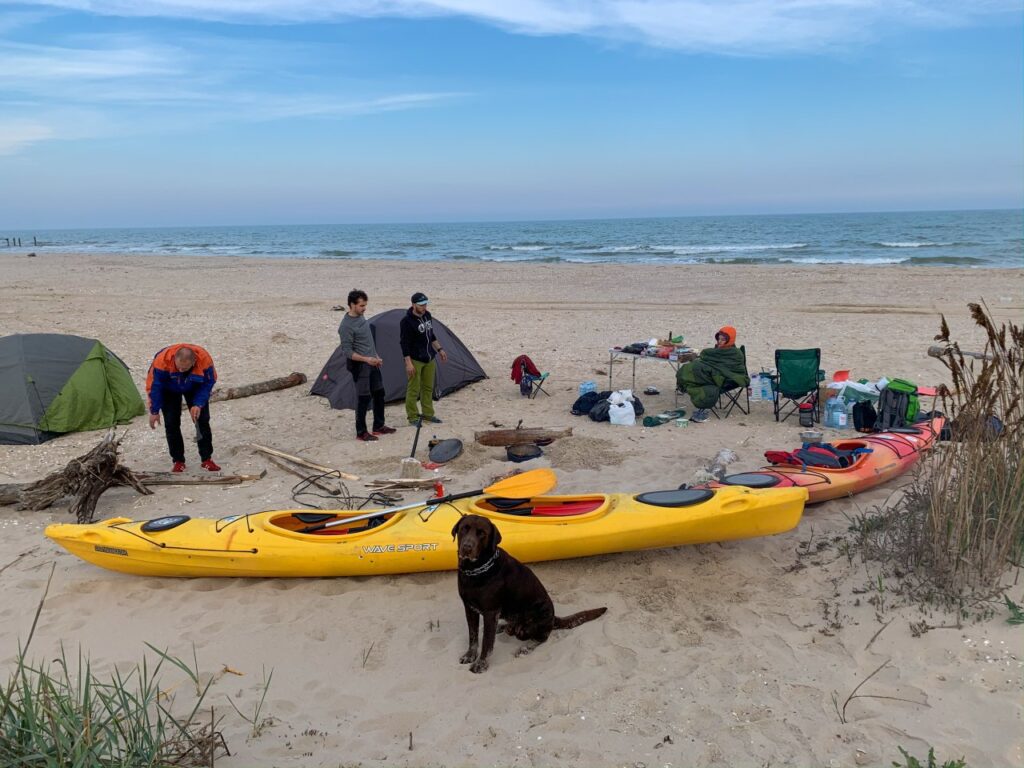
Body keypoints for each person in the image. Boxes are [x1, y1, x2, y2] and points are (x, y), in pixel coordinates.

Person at [146, 343, 221, 472]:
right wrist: (154, 410)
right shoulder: (162, 361)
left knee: (202, 420)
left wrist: (198, 404)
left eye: (184, 368)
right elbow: (155, 387)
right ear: (174, 358)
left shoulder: (204, 360)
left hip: (195, 385)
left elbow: (209, 382)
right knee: (171, 423)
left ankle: (206, 459)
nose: (181, 370)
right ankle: (178, 461)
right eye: (179, 367)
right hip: (168, 389)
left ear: (193, 362)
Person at [338, 289, 397, 442]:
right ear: (352, 305)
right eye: (361, 305)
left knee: (379, 393)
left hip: (372, 362)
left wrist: (376, 355)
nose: (364, 308)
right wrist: (366, 359)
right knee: (363, 398)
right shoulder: (345, 326)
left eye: (365, 305)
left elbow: (367, 340)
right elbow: (347, 352)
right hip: (360, 366)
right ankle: (361, 432)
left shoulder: (361, 316)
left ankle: (378, 426)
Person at [676, 325, 748, 423]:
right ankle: (688, 382)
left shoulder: (735, 354)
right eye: (719, 339)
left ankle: (691, 390)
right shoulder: (718, 350)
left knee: (696, 370)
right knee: (692, 367)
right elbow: (709, 359)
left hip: (726, 379)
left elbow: (731, 370)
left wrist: (709, 368)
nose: (719, 341)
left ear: (730, 340)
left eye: (723, 339)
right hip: (714, 375)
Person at [400, 291, 448, 425]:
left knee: (428, 387)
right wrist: (408, 363)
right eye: (421, 305)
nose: (424, 307)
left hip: (429, 357)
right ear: (413, 304)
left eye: (425, 304)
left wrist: (439, 349)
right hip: (415, 359)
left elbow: (431, 335)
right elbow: (404, 344)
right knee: (413, 389)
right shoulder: (406, 322)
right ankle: (413, 417)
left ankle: (427, 414)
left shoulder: (427, 315)